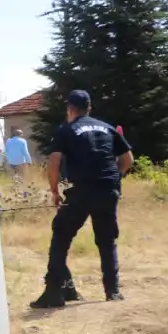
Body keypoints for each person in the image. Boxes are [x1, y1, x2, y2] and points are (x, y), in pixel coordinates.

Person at [31, 90, 134, 309]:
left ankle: (54, 292)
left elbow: (54, 162)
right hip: (108, 190)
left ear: (70, 109)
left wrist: (54, 191)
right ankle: (112, 292)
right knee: (107, 240)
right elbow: (127, 159)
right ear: (89, 108)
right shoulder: (106, 127)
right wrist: (115, 177)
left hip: (81, 191)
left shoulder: (66, 130)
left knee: (61, 235)